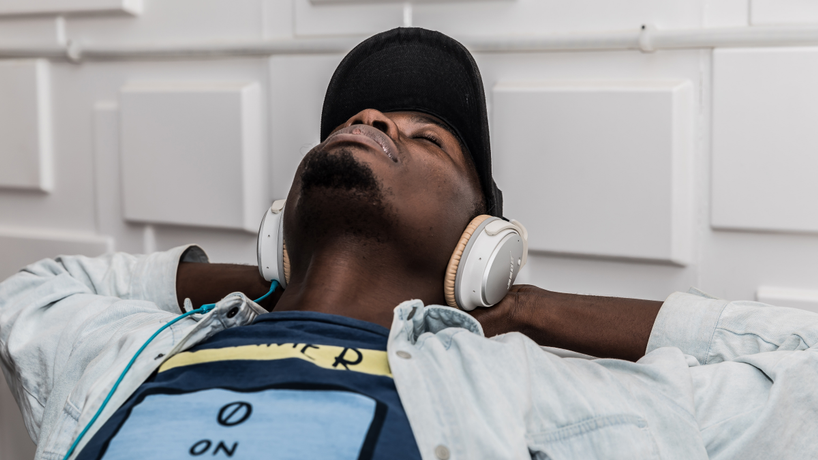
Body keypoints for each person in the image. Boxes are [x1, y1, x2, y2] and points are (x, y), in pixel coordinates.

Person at [1, 27, 817, 460]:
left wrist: (522, 307)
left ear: (480, 242)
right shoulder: (133, 350)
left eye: (429, 138)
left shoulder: (544, 399)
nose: (375, 121)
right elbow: (31, 289)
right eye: (358, 121)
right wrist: (275, 275)